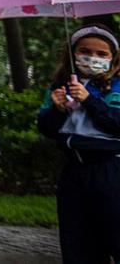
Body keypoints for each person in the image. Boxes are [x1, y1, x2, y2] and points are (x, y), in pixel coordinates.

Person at [37, 24, 120, 264]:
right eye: (85, 51)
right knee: (78, 243)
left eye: (101, 54)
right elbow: (47, 129)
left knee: (114, 236)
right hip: (74, 172)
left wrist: (90, 101)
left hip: (110, 171)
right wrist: (58, 109)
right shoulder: (60, 87)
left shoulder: (116, 87)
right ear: (72, 55)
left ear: (112, 58)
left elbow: (116, 124)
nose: (92, 58)